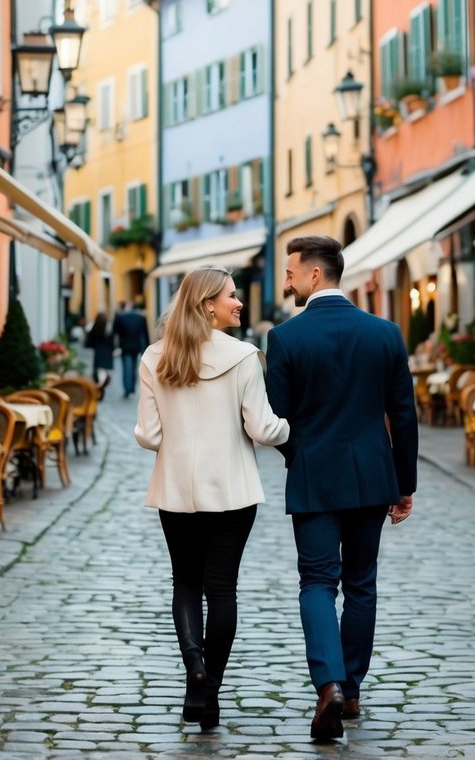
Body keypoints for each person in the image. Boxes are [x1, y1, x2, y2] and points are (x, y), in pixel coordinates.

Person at [265, 235, 418, 741]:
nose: (285, 282)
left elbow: (278, 420)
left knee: (316, 582)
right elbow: (403, 416)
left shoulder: (286, 339)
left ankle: (327, 685)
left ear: (314, 275)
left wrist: (301, 459)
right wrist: (403, 484)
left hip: (314, 477)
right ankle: (350, 689)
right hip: (374, 477)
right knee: (361, 584)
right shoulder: (386, 333)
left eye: (290, 273)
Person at [135, 266, 289, 731]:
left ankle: (193, 670)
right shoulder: (243, 357)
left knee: (185, 582)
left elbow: (148, 435)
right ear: (207, 305)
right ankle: (211, 691)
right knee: (222, 589)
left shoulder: (155, 357)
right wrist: (293, 429)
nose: (239, 303)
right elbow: (263, 429)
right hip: (232, 490)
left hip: (176, 487)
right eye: (231, 296)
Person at [113, 298, 150, 399]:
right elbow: (145, 334)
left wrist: (114, 347)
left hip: (125, 346)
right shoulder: (141, 318)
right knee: (134, 367)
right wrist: (146, 349)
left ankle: (128, 388)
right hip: (136, 346)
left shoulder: (121, 318)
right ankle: (132, 387)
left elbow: (115, 333)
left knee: (126, 367)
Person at [85, 311, 113, 391]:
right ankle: (101, 382)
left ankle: (100, 383)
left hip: (97, 351)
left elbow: (89, 341)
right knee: (103, 369)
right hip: (106, 351)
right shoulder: (108, 328)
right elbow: (111, 341)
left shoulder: (93, 327)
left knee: (98, 369)